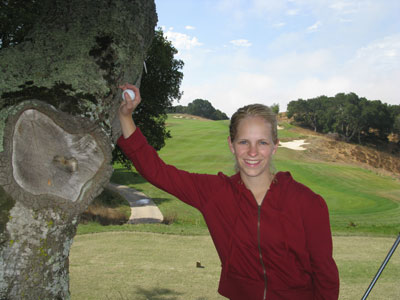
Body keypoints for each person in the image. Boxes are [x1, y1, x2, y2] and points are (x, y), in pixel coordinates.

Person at [117, 83, 340, 300]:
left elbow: (325, 275)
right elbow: (157, 172)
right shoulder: (215, 193)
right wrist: (126, 117)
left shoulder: (308, 203)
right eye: (244, 142)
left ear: (274, 146)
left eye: (262, 142)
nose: (253, 152)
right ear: (231, 145)